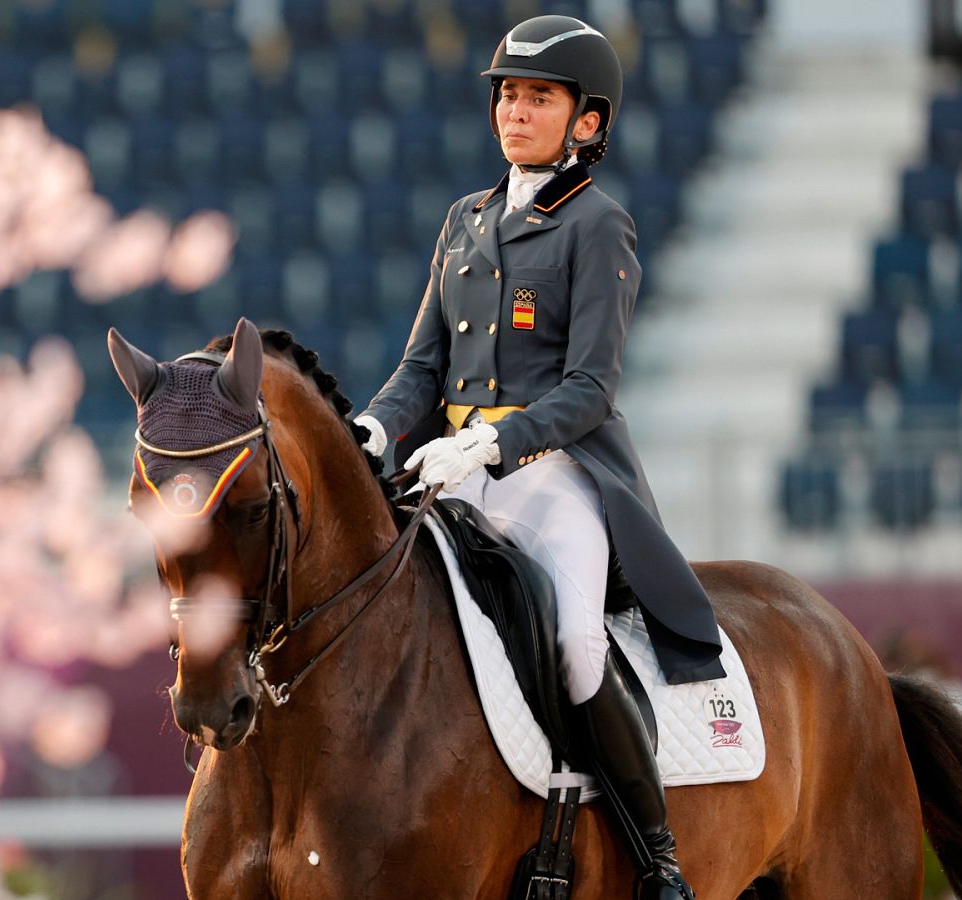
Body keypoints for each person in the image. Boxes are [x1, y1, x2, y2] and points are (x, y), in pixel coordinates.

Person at [352, 16, 724, 900]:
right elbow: (421, 366)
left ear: (586, 122)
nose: (516, 111)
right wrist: (373, 429)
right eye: (509, 95)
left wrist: (490, 439)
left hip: (554, 474)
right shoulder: (464, 219)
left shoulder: (597, 225)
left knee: (573, 646)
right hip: (452, 470)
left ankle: (656, 853)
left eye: (539, 98)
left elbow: (589, 386)